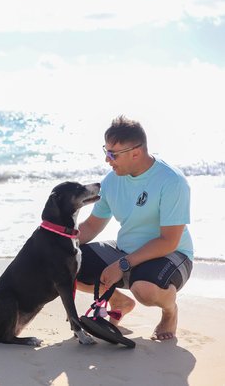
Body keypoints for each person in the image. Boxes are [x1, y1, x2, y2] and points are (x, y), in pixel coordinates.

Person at [77, 115, 193, 341]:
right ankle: (119, 301)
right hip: (125, 250)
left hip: (172, 254)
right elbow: (91, 226)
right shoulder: (112, 180)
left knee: (145, 290)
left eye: (113, 154)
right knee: (67, 263)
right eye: (106, 151)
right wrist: (54, 243)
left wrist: (122, 264)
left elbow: (168, 240)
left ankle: (170, 311)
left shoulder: (172, 181)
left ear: (136, 153)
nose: (107, 160)